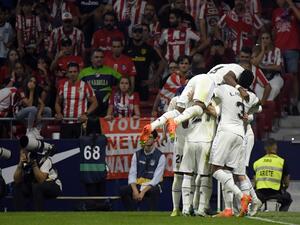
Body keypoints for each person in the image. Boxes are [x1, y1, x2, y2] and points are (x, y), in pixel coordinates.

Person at [140, 63, 251, 143]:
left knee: (178, 110)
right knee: (200, 107)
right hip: (207, 83)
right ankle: (175, 122)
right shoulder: (239, 69)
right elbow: (227, 77)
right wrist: (240, 88)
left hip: (198, 79)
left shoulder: (223, 66)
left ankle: (152, 126)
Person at [209, 71, 258, 217]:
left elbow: (215, 89)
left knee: (215, 169)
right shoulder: (251, 96)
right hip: (240, 134)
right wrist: (247, 116)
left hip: (225, 131)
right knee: (229, 171)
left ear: (237, 79)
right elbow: (258, 107)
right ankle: (229, 209)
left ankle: (241, 196)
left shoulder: (225, 88)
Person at [119, 130, 166, 211]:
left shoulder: (160, 156)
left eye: (150, 137)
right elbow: (132, 174)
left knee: (154, 191)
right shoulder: (137, 154)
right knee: (123, 190)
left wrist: (143, 192)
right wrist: (135, 190)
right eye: (146, 137)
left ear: (155, 139)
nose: (147, 139)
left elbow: (156, 179)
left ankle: (151, 214)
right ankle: (132, 213)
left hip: (151, 185)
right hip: (139, 184)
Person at [55, 62, 98, 139]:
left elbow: (95, 103)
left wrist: (86, 114)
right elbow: (57, 103)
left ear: (78, 72)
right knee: (66, 148)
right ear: (67, 73)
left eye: (75, 72)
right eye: (70, 72)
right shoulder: (62, 86)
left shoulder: (85, 86)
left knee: (80, 147)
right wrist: (58, 113)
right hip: (66, 122)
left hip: (80, 123)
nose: (72, 74)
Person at [253, 138, 293, 211]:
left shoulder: (257, 162)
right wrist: (284, 189)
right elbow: (286, 182)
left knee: (254, 199)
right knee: (288, 199)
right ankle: (281, 215)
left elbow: (255, 182)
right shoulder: (281, 162)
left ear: (265, 148)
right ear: (276, 147)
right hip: (276, 193)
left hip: (260, 194)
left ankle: (257, 208)